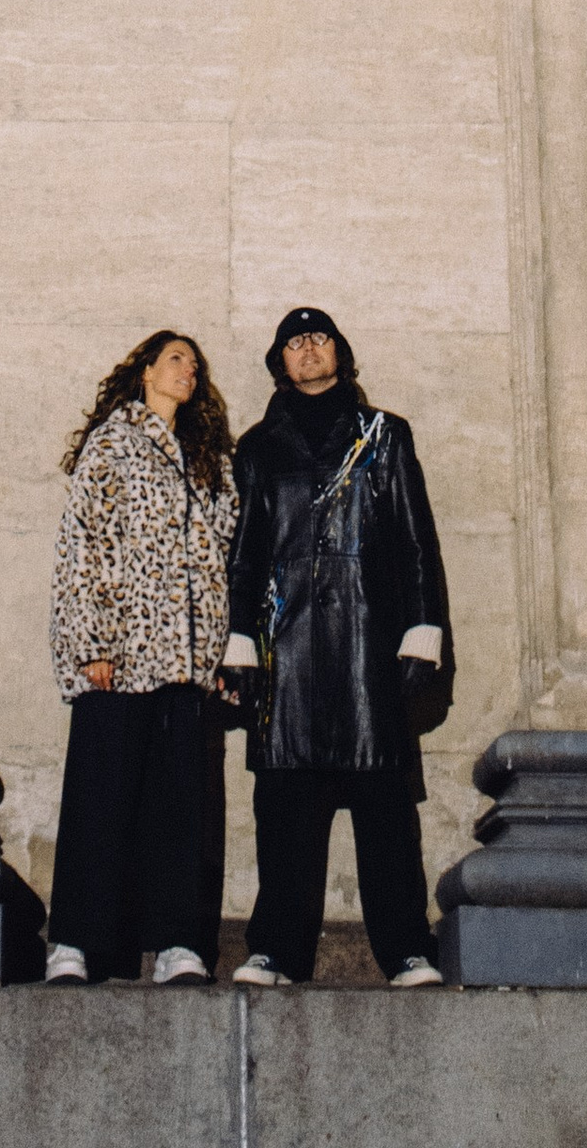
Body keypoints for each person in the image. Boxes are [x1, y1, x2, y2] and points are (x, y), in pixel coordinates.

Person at [222, 305, 450, 988]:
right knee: (284, 811)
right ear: (280, 362)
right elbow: (245, 554)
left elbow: (415, 540)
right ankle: (275, 950)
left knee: (384, 811)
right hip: (287, 654)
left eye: (319, 338)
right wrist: (240, 640)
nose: (308, 350)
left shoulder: (385, 435)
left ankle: (406, 949)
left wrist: (421, 631)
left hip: (365, 651)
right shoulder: (258, 447)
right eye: (295, 343)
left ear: (340, 353)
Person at [43, 328, 238, 984]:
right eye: (177, 359)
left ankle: (178, 944)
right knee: (100, 800)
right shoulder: (113, 443)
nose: (190, 370)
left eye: (196, 363)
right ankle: (72, 941)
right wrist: (92, 643)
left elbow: (223, 550)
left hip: (185, 660)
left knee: (179, 805)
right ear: (146, 370)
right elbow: (84, 545)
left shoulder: (206, 455)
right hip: (119, 656)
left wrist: (218, 652)